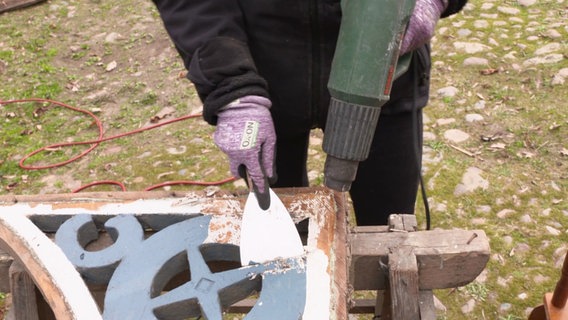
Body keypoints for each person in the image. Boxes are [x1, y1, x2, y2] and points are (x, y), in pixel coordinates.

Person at [151, 0, 468, 225]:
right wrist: (232, 85)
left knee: (390, 226)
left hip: (381, 65)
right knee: (282, 225)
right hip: (260, 69)